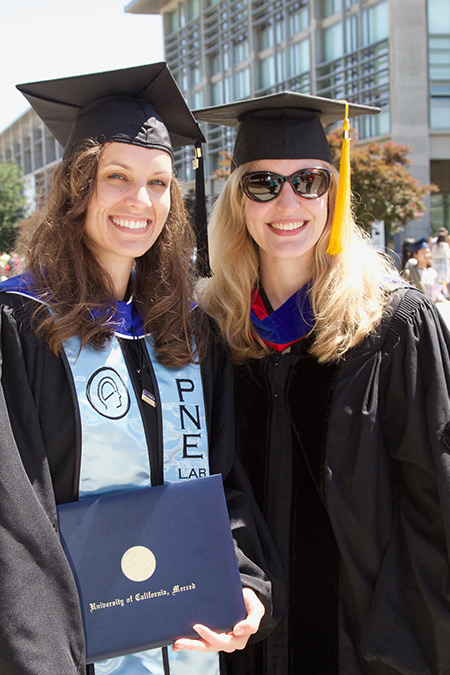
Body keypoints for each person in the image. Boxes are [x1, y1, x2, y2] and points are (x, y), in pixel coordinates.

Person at [0, 63, 283, 675]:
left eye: (159, 183)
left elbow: (221, 480)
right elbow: (12, 516)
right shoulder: (20, 324)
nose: (140, 201)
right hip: (67, 652)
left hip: (185, 650)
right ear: (78, 188)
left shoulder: (186, 330)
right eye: (117, 178)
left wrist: (243, 584)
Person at [194, 92, 450, 674]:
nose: (288, 201)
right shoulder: (211, 331)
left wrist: (401, 641)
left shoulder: (394, 324)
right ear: (237, 200)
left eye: (309, 181)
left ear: (334, 195)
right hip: (242, 639)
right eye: (262, 184)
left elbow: (436, 500)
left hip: (364, 642)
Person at [401, 237, 448, 302]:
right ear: (415, 255)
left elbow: (436, 292)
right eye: (423, 252)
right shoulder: (409, 272)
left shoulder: (432, 272)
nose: (426, 255)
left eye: (428, 252)